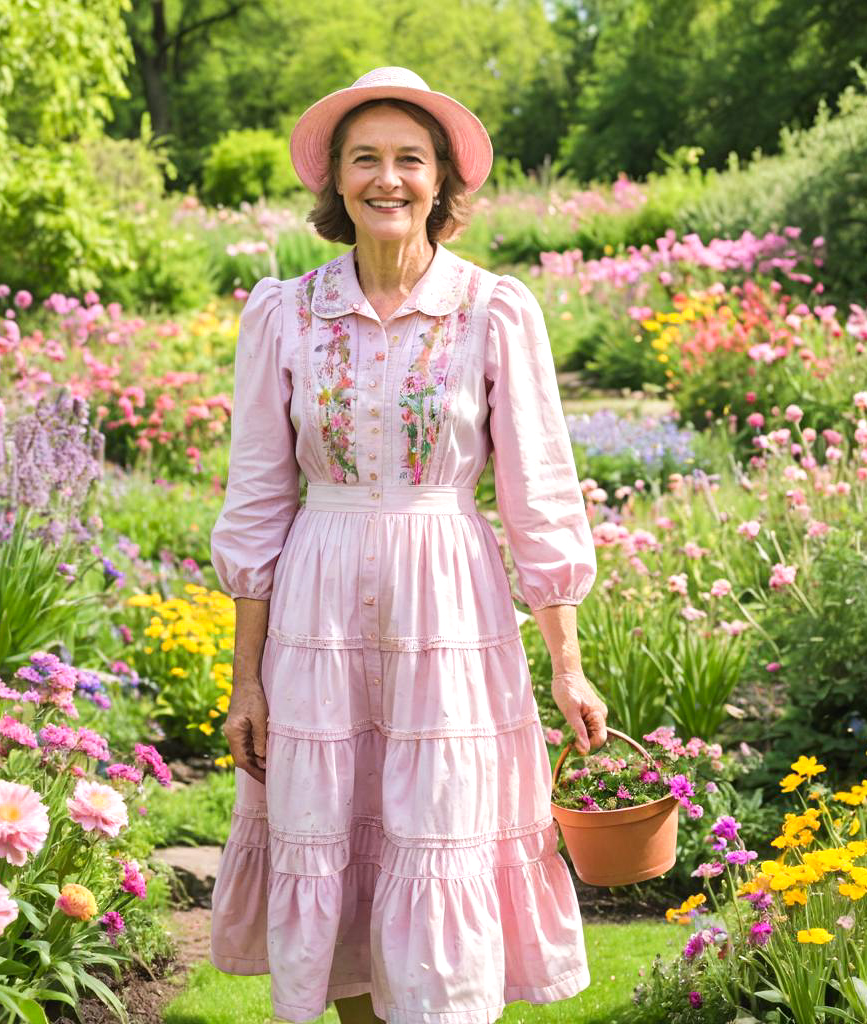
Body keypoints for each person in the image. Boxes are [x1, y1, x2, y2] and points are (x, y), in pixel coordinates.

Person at [208, 66, 609, 1024]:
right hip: (319, 606)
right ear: (337, 184)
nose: (388, 179)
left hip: (452, 606)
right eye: (366, 160)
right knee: (337, 842)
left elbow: (539, 497)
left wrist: (567, 667)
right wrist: (246, 681)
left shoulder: (494, 310)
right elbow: (258, 502)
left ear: (442, 183)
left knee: (438, 829)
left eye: (409, 160)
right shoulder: (285, 314)